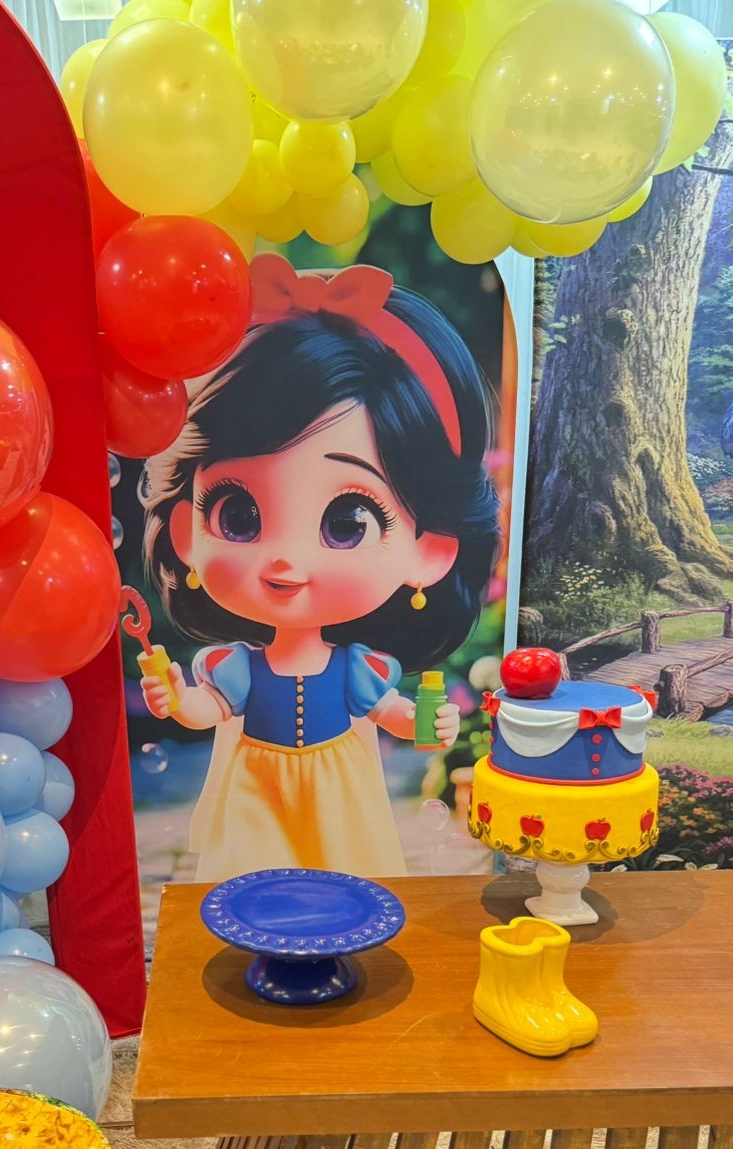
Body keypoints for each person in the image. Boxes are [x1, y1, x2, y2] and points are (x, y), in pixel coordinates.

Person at [139, 253, 500, 880]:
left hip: (339, 801)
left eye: (347, 522)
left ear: (430, 550)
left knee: (342, 880)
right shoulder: (235, 668)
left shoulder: (359, 669)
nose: (286, 559)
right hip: (254, 795)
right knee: (252, 882)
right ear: (184, 533)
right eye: (237, 515)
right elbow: (207, 710)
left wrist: (428, 723)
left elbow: (391, 714)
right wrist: (173, 698)